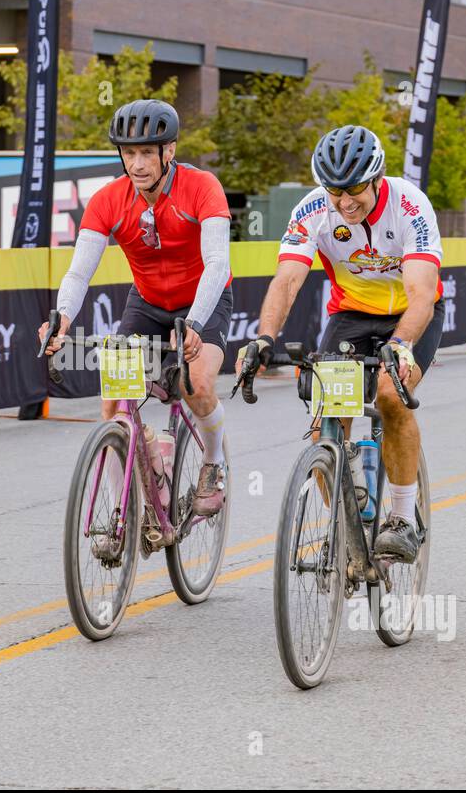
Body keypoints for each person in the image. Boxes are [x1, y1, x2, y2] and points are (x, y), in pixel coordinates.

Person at [237, 125, 444, 563]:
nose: (345, 203)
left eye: (354, 191)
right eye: (335, 192)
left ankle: (402, 519)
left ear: (376, 179)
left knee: (390, 396)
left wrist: (402, 344)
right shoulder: (313, 209)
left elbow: (423, 293)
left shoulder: (410, 205)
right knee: (325, 422)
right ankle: (346, 524)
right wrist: (263, 337)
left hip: (410, 314)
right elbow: (287, 280)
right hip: (351, 315)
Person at [40, 99, 232, 516]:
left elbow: (218, 263)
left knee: (194, 384)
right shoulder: (109, 199)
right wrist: (63, 319)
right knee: (113, 401)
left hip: (203, 299)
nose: (138, 163)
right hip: (146, 302)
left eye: (147, 152)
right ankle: (118, 513)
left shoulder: (202, 187)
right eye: (129, 153)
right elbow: (78, 273)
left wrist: (195, 322)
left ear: (170, 151)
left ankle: (213, 464)